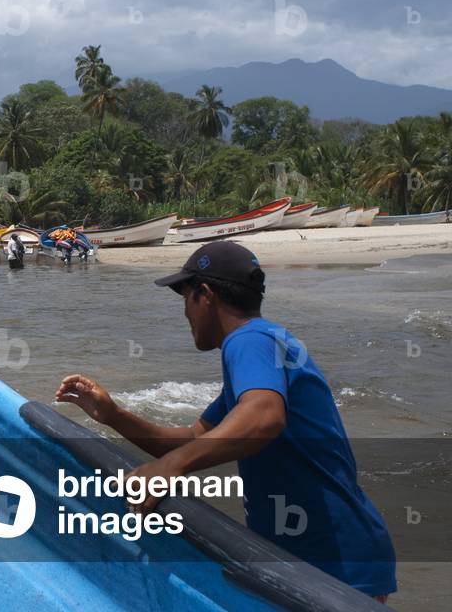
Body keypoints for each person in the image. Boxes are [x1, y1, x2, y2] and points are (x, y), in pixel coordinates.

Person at [55, 241, 396, 602]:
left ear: (205, 295)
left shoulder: (249, 340)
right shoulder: (265, 349)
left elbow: (264, 418)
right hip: (319, 552)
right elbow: (194, 439)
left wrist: (168, 468)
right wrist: (114, 416)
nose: (184, 312)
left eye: (185, 297)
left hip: (334, 564)